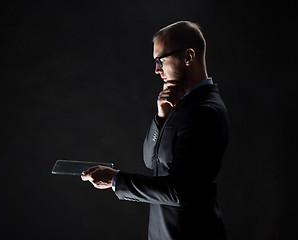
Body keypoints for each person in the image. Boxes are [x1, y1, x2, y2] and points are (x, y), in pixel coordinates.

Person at [81, 20, 229, 240]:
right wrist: (161, 118)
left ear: (188, 57)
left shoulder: (204, 111)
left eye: (161, 60)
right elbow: (152, 162)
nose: (157, 70)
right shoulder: (182, 104)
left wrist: (115, 180)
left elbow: (180, 191)